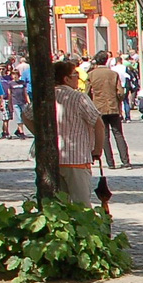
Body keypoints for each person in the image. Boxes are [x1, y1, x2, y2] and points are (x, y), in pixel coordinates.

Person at [24, 61, 105, 204]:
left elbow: (26, 115)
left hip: (51, 158)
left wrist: (40, 135)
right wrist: (97, 149)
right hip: (76, 158)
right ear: (66, 79)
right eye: (75, 75)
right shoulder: (78, 97)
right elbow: (98, 124)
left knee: (58, 205)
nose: (78, 79)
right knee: (81, 205)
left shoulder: (45, 96)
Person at [86, 53, 130, 168]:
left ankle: (110, 163)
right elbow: (120, 92)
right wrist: (118, 101)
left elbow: (87, 93)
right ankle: (125, 161)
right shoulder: (113, 74)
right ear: (106, 61)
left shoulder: (91, 75)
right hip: (113, 107)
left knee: (104, 135)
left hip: (98, 108)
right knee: (118, 134)